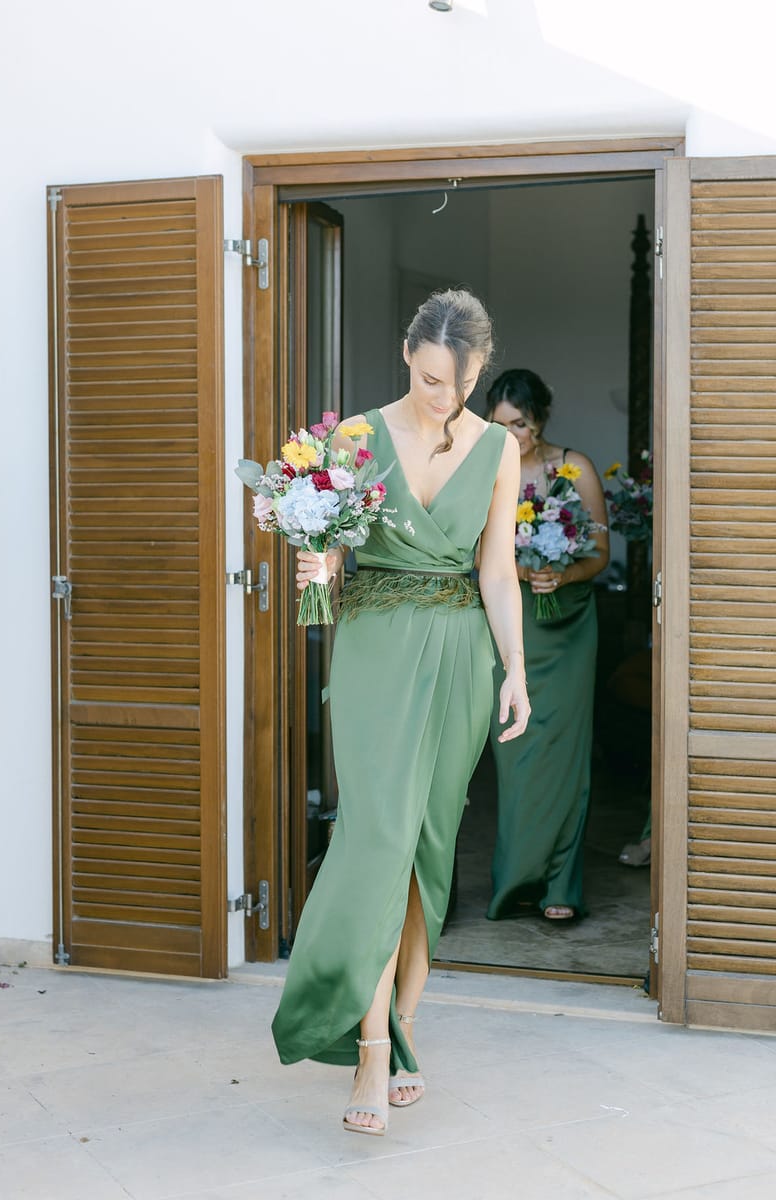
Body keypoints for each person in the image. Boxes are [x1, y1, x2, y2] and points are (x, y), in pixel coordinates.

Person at [271, 291, 530, 1137]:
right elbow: (337, 548)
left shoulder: (498, 450)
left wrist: (516, 669)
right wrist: (318, 560)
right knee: (375, 838)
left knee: (426, 847)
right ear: (406, 354)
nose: (440, 398)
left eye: (457, 386)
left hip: (461, 657)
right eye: (427, 379)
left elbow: (496, 570)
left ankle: (405, 1023)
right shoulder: (355, 439)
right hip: (376, 652)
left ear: (478, 374)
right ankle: (370, 1050)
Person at [485, 368, 609, 922]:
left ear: (541, 416)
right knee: (517, 753)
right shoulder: (487, 467)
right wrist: (520, 570)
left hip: (569, 626)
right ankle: (516, 882)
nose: (513, 435)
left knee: (564, 751)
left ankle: (562, 883)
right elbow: (478, 553)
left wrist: (563, 576)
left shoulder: (574, 467)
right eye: (500, 424)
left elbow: (599, 555)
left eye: (520, 423)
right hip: (516, 625)